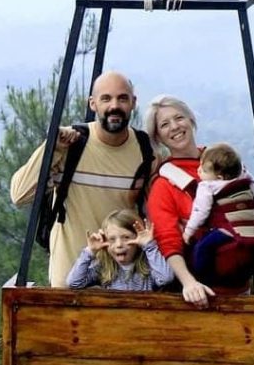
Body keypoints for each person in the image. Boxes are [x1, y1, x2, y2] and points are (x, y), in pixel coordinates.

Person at [144, 95, 254, 308]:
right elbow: (169, 240)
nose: (175, 127)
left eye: (179, 118)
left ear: (191, 120)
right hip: (202, 292)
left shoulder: (223, 161)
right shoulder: (164, 184)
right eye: (165, 124)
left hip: (242, 283)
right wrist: (189, 283)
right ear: (158, 136)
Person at [10, 71, 152, 288]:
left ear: (133, 103)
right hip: (70, 281)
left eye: (122, 98)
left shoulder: (144, 150)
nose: (114, 106)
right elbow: (19, 194)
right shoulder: (72, 144)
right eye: (106, 99)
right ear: (93, 104)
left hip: (121, 284)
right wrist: (53, 146)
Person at [182, 142, 254, 284]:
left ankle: (203, 279)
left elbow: (200, 211)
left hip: (228, 228)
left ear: (219, 177)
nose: (199, 170)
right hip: (251, 229)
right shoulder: (246, 179)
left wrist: (189, 231)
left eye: (204, 169)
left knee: (202, 247)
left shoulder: (207, 186)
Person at [65, 208, 173, 291]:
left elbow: (166, 278)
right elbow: (74, 283)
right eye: (112, 239)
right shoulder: (104, 268)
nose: (119, 245)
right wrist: (90, 251)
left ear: (138, 240)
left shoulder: (148, 267)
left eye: (126, 238)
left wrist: (149, 245)